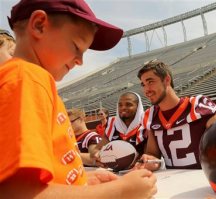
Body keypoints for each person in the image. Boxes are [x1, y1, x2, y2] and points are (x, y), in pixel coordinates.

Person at [0, 1, 156, 198]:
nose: (80, 61)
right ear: (39, 25)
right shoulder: (27, 78)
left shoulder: (28, 79)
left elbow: (39, 181)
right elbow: (16, 192)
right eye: (76, 47)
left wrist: (78, 183)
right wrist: (119, 192)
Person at [136, 60, 216, 171]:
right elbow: (153, 155)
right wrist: (149, 161)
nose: (147, 90)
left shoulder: (198, 105)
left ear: (167, 80)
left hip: (204, 179)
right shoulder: (150, 115)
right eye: (143, 85)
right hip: (175, 185)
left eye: (150, 82)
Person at [97, 92, 147, 158]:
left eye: (128, 104)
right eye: (120, 105)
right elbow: (96, 149)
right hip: (116, 167)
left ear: (138, 107)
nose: (123, 108)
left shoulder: (146, 124)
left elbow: (150, 155)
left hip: (141, 167)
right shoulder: (112, 124)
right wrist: (97, 154)